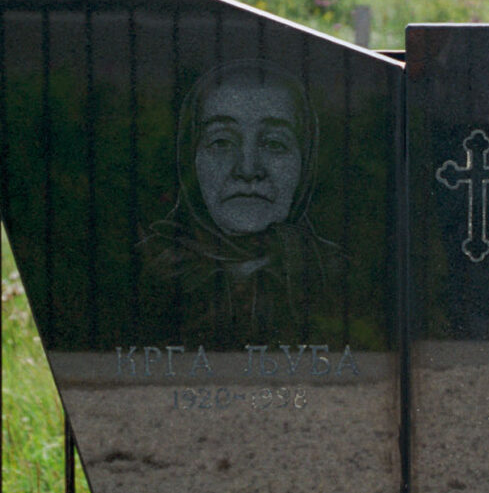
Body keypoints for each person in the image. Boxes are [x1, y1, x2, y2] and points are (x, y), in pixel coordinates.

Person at [138, 60, 340, 345]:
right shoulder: (145, 271)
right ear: (189, 157)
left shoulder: (339, 274)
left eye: (274, 143)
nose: (247, 169)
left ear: (306, 161)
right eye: (221, 142)